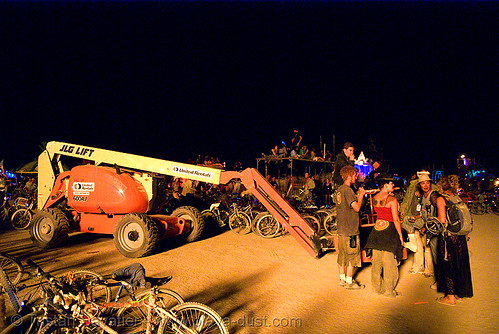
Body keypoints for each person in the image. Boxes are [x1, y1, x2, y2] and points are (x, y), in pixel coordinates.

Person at [434, 175, 473, 306]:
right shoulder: (456, 198)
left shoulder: (441, 199)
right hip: (460, 236)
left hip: (448, 237)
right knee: (460, 264)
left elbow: (442, 220)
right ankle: (460, 294)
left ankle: (450, 298)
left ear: (441, 185)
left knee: (448, 266)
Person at [364, 174, 404, 297]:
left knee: (376, 263)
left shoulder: (375, 198)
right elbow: (396, 219)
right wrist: (400, 236)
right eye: (391, 183)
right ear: (385, 185)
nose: (393, 185)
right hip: (389, 232)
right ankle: (389, 290)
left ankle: (377, 289)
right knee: (389, 263)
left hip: (377, 230)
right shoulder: (392, 200)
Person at [335, 165, 365, 289]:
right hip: (351, 231)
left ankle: (342, 279)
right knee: (352, 256)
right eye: (354, 176)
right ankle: (349, 281)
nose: (355, 178)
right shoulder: (348, 190)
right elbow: (356, 207)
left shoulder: (339, 190)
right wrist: (361, 195)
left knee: (342, 255)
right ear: (349, 176)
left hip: (341, 229)